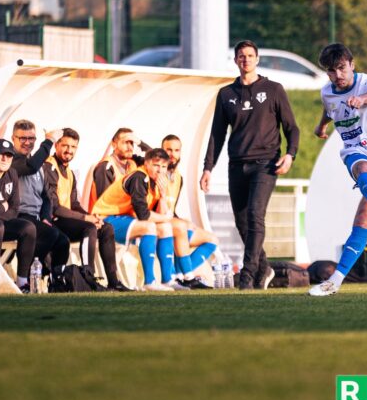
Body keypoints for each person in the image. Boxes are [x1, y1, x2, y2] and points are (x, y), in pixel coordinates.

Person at [201, 40, 300, 291]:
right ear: (235, 61)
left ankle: (246, 275)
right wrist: (207, 168)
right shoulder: (226, 94)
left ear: (257, 59)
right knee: (242, 222)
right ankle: (264, 267)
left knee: (256, 216)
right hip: (237, 165)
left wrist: (290, 155)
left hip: (266, 164)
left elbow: (292, 127)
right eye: (241, 56)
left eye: (250, 55)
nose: (245, 60)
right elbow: (217, 134)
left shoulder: (274, 89)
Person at [308, 43, 367, 297]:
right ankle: (334, 282)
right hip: (355, 147)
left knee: (363, 218)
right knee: (361, 166)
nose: (337, 75)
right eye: (331, 71)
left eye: (341, 68)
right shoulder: (327, 92)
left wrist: (362, 99)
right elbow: (330, 108)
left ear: (352, 64)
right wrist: (321, 127)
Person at [44, 128, 130, 291]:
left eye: (73, 147)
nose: (69, 150)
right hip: (53, 221)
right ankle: (88, 277)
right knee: (89, 228)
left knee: (106, 228)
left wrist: (92, 217)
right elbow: (54, 208)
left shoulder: (69, 172)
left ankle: (114, 282)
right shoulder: (49, 167)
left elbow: (74, 203)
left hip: (67, 220)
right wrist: (87, 219)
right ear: (56, 145)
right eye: (65, 146)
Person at [91, 148, 181, 291]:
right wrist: (165, 217)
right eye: (156, 165)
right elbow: (144, 215)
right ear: (146, 163)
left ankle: (167, 279)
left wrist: (163, 196)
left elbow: (161, 217)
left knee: (165, 228)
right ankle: (149, 281)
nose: (160, 170)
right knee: (149, 226)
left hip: (124, 220)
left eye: (163, 167)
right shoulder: (140, 176)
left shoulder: (156, 182)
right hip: (104, 219)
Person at [11, 120, 70, 287]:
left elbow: (46, 197)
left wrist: (45, 217)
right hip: (19, 217)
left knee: (63, 241)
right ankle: (26, 279)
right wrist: (49, 141)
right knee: (50, 234)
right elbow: (30, 166)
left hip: (36, 218)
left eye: (31, 138)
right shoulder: (11, 160)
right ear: (13, 138)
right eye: (22, 138)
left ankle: (56, 282)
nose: (27, 142)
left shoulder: (40, 165)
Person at [162, 134, 220, 289]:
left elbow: (171, 209)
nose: (172, 154)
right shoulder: (156, 173)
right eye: (168, 150)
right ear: (160, 150)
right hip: (157, 223)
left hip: (171, 223)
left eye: (176, 150)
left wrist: (184, 221)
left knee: (212, 240)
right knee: (181, 227)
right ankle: (187, 277)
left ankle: (180, 274)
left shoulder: (178, 177)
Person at [0, 138, 36, 292]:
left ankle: (22, 281)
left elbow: (14, 208)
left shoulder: (12, 173)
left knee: (28, 228)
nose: (5, 159)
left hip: (1, 222)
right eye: (0, 154)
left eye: (9, 155)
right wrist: (3, 207)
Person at [89, 128, 150, 210]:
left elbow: (157, 160)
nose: (129, 147)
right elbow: (105, 205)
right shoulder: (106, 167)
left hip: (126, 214)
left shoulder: (133, 161)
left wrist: (139, 142)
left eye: (131, 143)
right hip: (106, 218)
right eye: (125, 142)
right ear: (114, 145)